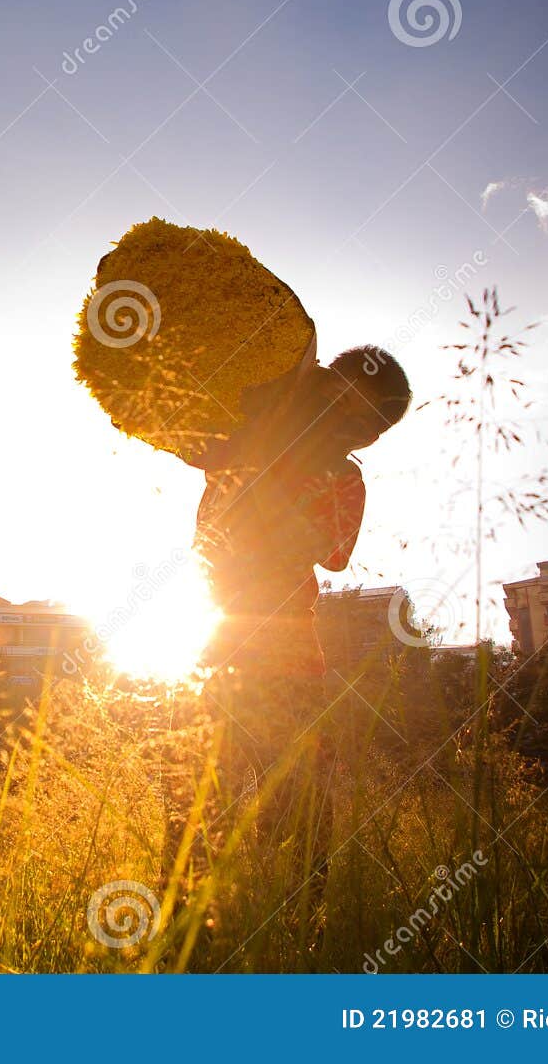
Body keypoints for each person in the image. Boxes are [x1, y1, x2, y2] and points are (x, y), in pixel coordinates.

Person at [189, 344, 411, 914]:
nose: (365, 432)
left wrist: (262, 465)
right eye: (356, 409)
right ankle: (189, 929)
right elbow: (202, 489)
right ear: (322, 384)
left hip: (284, 636)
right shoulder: (252, 435)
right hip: (217, 635)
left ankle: (303, 930)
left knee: (295, 794)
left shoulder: (341, 477)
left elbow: (322, 552)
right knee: (195, 789)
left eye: (375, 425)